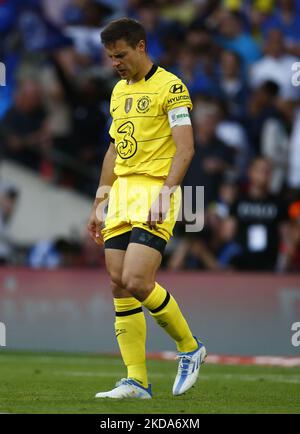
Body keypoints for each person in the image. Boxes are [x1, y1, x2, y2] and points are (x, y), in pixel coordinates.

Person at [87, 17, 206, 399]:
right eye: (109, 57)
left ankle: (189, 347)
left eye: (120, 54)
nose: (115, 63)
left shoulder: (171, 87)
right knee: (119, 285)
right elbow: (112, 149)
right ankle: (136, 380)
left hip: (156, 190)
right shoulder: (119, 91)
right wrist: (100, 201)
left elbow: (185, 148)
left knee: (139, 281)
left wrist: (167, 192)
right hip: (121, 192)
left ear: (140, 46)